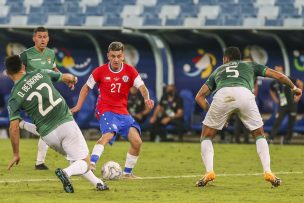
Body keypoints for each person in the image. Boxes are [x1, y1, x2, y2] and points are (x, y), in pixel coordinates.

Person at [194, 47, 302, 188]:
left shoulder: (218, 70)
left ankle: (209, 171)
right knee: (259, 134)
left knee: (206, 136)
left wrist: (212, 112)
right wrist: (294, 88)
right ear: (239, 58)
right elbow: (278, 76)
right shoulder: (250, 65)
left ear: (226, 59)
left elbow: (199, 97)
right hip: (245, 94)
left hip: (222, 95)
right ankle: (268, 171)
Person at [5, 55, 109, 193]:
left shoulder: (13, 97)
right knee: (86, 162)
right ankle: (65, 173)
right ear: (23, 67)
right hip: (65, 123)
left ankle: (99, 184)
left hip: (48, 136)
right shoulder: (39, 73)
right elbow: (65, 77)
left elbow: (13, 127)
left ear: (7, 73)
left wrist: (16, 154)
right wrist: (73, 79)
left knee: (76, 160)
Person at [71, 41, 154, 178]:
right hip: (105, 109)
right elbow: (86, 87)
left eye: (118, 56)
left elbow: (142, 87)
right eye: (113, 56)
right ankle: (90, 164)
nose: (116, 59)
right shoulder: (99, 71)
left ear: (123, 56)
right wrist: (79, 106)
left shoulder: (130, 71)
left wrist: (146, 98)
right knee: (108, 134)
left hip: (122, 111)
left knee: (137, 142)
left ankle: (127, 174)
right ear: (108, 56)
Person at [18, 26, 60, 170]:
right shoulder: (26, 55)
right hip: (33, 97)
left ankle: (39, 162)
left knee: (46, 127)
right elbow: (20, 76)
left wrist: (66, 79)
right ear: (34, 38)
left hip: (48, 95)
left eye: (45, 37)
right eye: (40, 37)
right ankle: (40, 162)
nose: (43, 39)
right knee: (48, 127)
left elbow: (54, 70)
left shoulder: (50, 54)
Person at [269, 66, 303, 144]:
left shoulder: (288, 78)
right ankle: (270, 139)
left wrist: (297, 97)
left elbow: (300, 84)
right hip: (282, 105)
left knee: (291, 122)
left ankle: (288, 140)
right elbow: (271, 90)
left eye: (279, 71)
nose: (277, 72)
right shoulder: (274, 82)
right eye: (276, 71)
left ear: (283, 71)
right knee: (277, 121)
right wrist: (275, 99)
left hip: (292, 104)